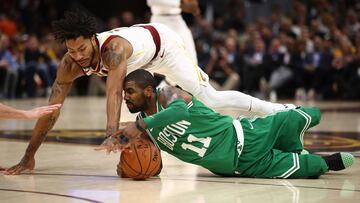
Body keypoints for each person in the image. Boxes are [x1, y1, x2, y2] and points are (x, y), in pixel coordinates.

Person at [3, 10, 293, 175]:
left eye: (82, 48)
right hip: (142, 55)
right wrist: (29, 155)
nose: (77, 55)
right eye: (71, 50)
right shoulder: (69, 64)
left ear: (93, 40)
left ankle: (281, 110)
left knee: (212, 100)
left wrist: (111, 132)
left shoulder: (113, 50)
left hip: (164, 49)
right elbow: (52, 110)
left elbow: (114, 92)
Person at [102, 69, 355, 178]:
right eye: (125, 93)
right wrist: (128, 168)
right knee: (310, 168)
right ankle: (326, 160)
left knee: (306, 115)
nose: (126, 97)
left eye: (131, 91)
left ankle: (295, 141)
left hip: (246, 136)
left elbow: (179, 113)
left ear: (148, 91)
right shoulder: (144, 125)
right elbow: (151, 166)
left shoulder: (168, 94)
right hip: (237, 167)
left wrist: (139, 127)